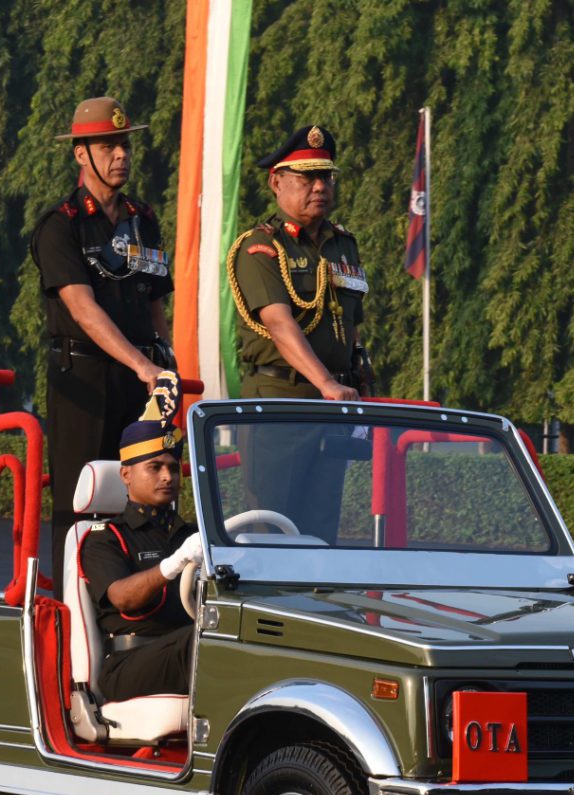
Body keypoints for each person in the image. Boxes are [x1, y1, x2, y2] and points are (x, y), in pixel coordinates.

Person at [31, 96, 175, 595]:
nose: (121, 155)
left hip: (141, 378)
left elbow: (155, 299)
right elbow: (82, 307)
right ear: (80, 154)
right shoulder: (61, 223)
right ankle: (72, 617)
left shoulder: (143, 218)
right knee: (82, 501)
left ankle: (138, 606)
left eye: (125, 143)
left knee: (149, 494)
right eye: (108, 145)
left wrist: (166, 360)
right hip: (85, 379)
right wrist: (141, 364)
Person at [228, 125, 373, 538]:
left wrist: (358, 370)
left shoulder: (343, 244)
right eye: (306, 177)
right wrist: (326, 381)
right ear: (276, 181)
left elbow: (350, 322)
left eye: (325, 176)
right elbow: (278, 322)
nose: (319, 187)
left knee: (322, 530)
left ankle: (316, 603)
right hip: (281, 405)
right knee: (272, 528)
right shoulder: (261, 247)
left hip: (331, 405)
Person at [79, 372, 203, 702]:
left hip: (186, 649)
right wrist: (174, 565)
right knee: (205, 643)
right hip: (128, 663)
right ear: (126, 475)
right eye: (155, 467)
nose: (168, 476)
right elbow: (122, 597)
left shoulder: (191, 535)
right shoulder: (104, 537)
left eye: (174, 468)